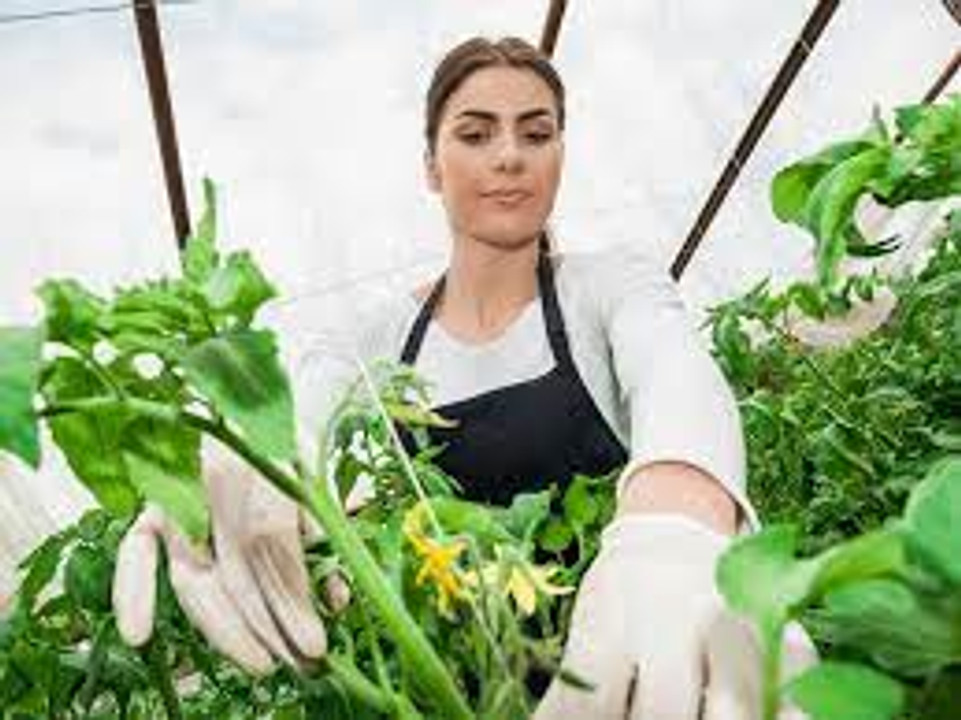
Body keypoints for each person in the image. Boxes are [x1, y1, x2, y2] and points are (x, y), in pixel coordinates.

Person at [113, 35, 813, 717]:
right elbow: (301, 416)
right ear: (431, 166)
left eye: (536, 134)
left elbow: (674, 369)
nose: (509, 156)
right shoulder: (372, 341)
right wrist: (247, 456)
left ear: (559, 156)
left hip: (646, 673)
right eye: (475, 134)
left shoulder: (607, 287)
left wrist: (675, 526)